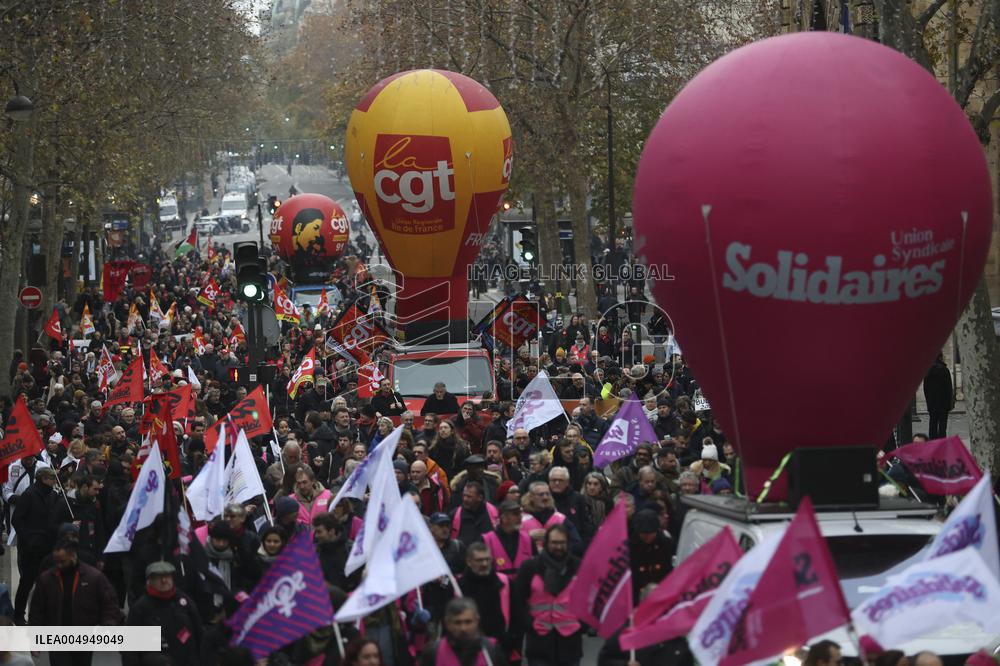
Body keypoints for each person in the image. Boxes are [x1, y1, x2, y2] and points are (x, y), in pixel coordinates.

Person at [29, 540, 120, 666]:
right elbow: (37, 611)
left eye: (62, 561)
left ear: (73, 555)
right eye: (56, 561)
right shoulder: (47, 579)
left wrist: (108, 625)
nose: (59, 565)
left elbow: (109, 603)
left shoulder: (94, 577)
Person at [514, 525, 583, 666]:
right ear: (546, 544)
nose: (558, 547)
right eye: (554, 543)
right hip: (539, 642)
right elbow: (517, 602)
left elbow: (589, 599)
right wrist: (529, 625)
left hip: (570, 643)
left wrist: (583, 625)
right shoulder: (529, 567)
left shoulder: (580, 567)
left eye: (562, 543)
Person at [123, 562, 203, 666]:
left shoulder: (185, 602)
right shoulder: (141, 608)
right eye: (159, 577)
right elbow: (130, 646)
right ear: (149, 581)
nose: (164, 581)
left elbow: (199, 634)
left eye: (167, 576)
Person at [456, 543, 520, 662]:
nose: (484, 564)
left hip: (501, 649)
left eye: (487, 559)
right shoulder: (458, 586)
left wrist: (512, 640)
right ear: (469, 562)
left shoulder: (505, 582)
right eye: (479, 560)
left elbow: (517, 615)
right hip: (468, 650)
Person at [12, 466, 58, 624]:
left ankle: (41, 616)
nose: (54, 482)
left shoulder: (53, 495)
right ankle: (18, 615)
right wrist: (28, 539)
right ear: (44, 479)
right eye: (52, 479)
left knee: (47, 582)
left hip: (48, 546)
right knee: (27, 582)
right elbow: (17, 519)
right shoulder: (29, 495)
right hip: (31, 548)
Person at [419, 598, 508, 666]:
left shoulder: (491, 649)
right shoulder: (433, 652)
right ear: (447, 623)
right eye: (457, 623)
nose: (463, 628)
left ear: (477, 621)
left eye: (468, 622)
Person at [482, 500, 534, 581]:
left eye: (520, 514)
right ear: (504, 517)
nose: (520, 517)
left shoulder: (528, 539)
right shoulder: (487, 539)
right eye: (515, 514)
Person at [923, 352, 954, 439]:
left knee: (932, 424)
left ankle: (932, 441)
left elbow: (925, 389)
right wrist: (949, 404)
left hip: (932, 403)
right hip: (943, 404)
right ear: (940, 358)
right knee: (942, 426)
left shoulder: (928, 371)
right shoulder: (944, 370)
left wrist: (928, 402)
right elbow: (948, 388)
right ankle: (941, 442)